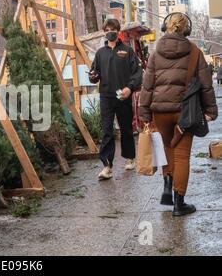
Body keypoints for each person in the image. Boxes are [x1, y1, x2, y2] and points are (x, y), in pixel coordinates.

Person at [139, 12, 217, 217]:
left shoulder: (155, 53)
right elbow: (206, 85)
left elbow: (147, 86)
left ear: (167, 28)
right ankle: (179, 203)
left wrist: (144, 114)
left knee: (166, 149)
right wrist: (210, 111)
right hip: (185, 113)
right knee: (182, 155)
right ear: (186, 30)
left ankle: (167, 185)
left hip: (160, 112)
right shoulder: (194, 52)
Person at [89, 19, 142, 180]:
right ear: (104, 32)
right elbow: (94, 74)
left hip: (122, 94)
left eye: (112, 29)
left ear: (118, 31)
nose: (109, 31)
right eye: (107, 29)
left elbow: (137, 73)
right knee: (106, 130)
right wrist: (93, 76)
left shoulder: (127, 51)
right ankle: (107, 166)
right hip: (106, 95)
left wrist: (130, 87)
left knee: (126, 128)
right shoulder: (100, 53)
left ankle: (130, 157)